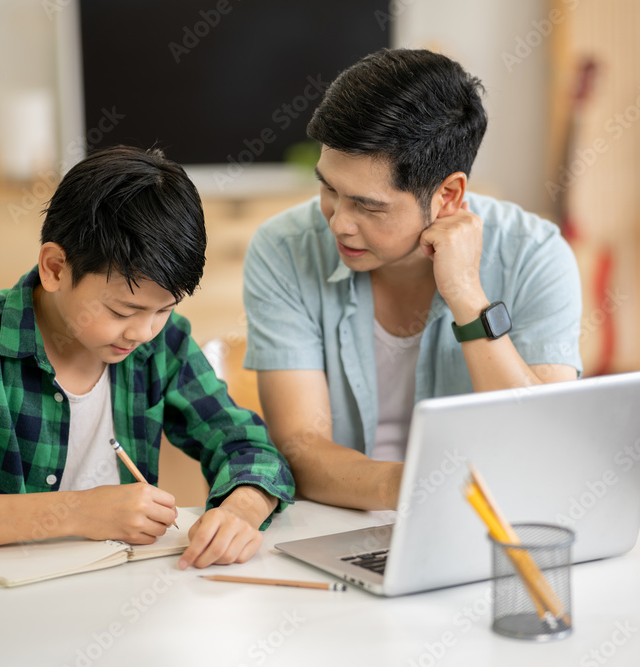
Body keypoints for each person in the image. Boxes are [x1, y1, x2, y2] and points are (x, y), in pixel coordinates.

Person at [0, 146, 294, 569]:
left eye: (164, 309)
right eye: (122, 310)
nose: (143, 332)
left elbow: (249, 447)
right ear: (54, 268)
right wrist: (75, 511)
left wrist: (241, 509)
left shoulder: (163, 345)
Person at [242, 48, 583, 512]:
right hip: (339, 520)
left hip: (495, 523)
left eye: (368, 205)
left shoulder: (534, 254)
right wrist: (418, 490)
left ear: (448, 195)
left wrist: (466, 294)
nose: (338, 222)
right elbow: (301, 450)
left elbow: (540, 447)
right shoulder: (283, 247)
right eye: (328, 189)